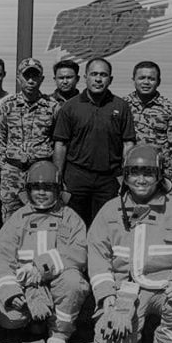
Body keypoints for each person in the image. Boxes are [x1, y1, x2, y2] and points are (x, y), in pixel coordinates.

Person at [87, 145, 172, 343]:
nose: (141, 179)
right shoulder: (110, 210)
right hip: (125, 290)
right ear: (125, 176)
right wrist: (106, 293)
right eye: (134, 173)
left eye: (148, 173)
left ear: (159, 176)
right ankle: (137, 332)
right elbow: (97, 253)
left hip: (166, 287)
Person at [0, 160, 89, 343]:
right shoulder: (18, 218)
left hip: (58, 283)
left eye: (48, 188)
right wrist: (11, 292)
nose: (41, 193)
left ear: (58, 190)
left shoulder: (70, 218)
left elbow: (80, 251)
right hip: (26, 285)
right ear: (28, 190)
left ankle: (59, 332)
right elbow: (1, 257)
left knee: (73, 282)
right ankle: (34, 320)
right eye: (36, 188)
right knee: (9, 317)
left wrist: (42, 267)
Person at [53, 57, 136, 226]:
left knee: (106, 226)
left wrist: (126, 176)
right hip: (77, 178)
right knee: (74, 225)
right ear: (85, 78)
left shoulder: (121, 106)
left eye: (103, 75)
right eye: (94, 74)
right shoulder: (70, 107)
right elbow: (61, 144)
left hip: (109, 179)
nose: (98, 79)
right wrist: (58, 177)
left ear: (110, 79)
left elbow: (128, 144)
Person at [0, 58, 60, 220]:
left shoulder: (52, 106)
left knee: (41, 214)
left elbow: (57, 140)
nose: (31, 81)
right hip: (12, 172)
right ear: (19, 78)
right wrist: (5, 167)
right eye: (26, 76)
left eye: (35, 76)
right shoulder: (8, 105)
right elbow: (0, 137)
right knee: (11, 215)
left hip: (40, 172)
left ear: (42, 79)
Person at [124, 60, 172, 196]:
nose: (146, 82)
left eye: (151, 79)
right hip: (129, 177)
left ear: (158, 82)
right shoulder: (122, 106)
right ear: (133, 80)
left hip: (160, 177)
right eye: (142, 78)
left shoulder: (170, 109)